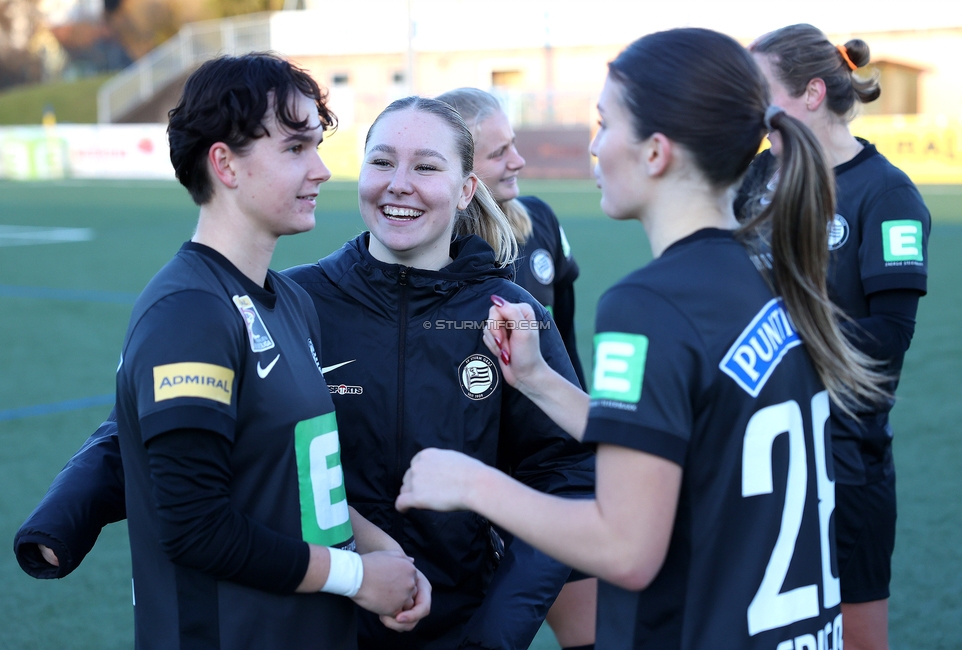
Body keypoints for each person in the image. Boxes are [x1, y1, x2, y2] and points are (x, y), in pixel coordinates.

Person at [15, 95, 594, 650]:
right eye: (382, 162)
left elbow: (563, 471)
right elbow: (147, 424)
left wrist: (496, 631)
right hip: (314, 618)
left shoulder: (511, 314)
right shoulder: (293, 300)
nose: (399, 183)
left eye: (426, 166)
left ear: (466, 189)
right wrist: (64, 519)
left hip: (458, 628)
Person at [395, 27, 890, 650]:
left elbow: (624, 548)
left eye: (604, 124)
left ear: (656, 152)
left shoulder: (651, 304)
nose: (596, 147)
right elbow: (681, 448)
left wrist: (472, 483)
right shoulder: (775, 271)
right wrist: (539, 381)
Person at [93, 53, 426, 648]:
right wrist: (355, 577)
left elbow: (287, 484)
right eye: (296, 148)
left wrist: (384, 552)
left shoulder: (290, 302)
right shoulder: (189, 315)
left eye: (318, 146)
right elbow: (195, 526)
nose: (322, 170)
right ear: (225, 163)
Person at [735, 24, 931, 650]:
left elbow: (888, 336)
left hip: (844, 457)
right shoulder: (754, 179)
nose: (749, 107)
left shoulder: (886, 193)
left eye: (759, 91)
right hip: (749, 451)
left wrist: (783, 347)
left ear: (813, 93)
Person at [437, 87, 596, 650]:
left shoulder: (542, 224)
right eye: (500, 152)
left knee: (593, 632)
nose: (519, 162)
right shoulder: (430, 248)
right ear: (460, 171)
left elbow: (567, 341)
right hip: (466, 487)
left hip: (549, 474)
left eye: (515, 146)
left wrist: (578, 426)